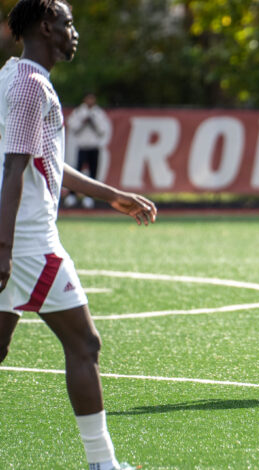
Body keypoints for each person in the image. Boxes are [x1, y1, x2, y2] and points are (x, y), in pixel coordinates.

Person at [0, 2, 156, 469]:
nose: (74, 32)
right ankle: (102, 464)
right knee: (84, 345)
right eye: (68, 23)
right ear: (45, 27)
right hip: (29, 242)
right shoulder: (30, 86)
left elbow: (45, 156)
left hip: (19, 239)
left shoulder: (13, 76)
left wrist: (112, 195)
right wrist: (4, 248)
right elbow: (14, 168)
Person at [65, 92, 110, 209]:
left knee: (93, 173)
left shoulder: (98, 113)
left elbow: (103, 130)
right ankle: (72, 196)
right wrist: (83, 122)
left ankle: (89, 197)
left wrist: (93, 122)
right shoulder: (79, 112)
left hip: (94, 147)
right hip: (82, 147)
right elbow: (72, 127)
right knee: (77, 172)